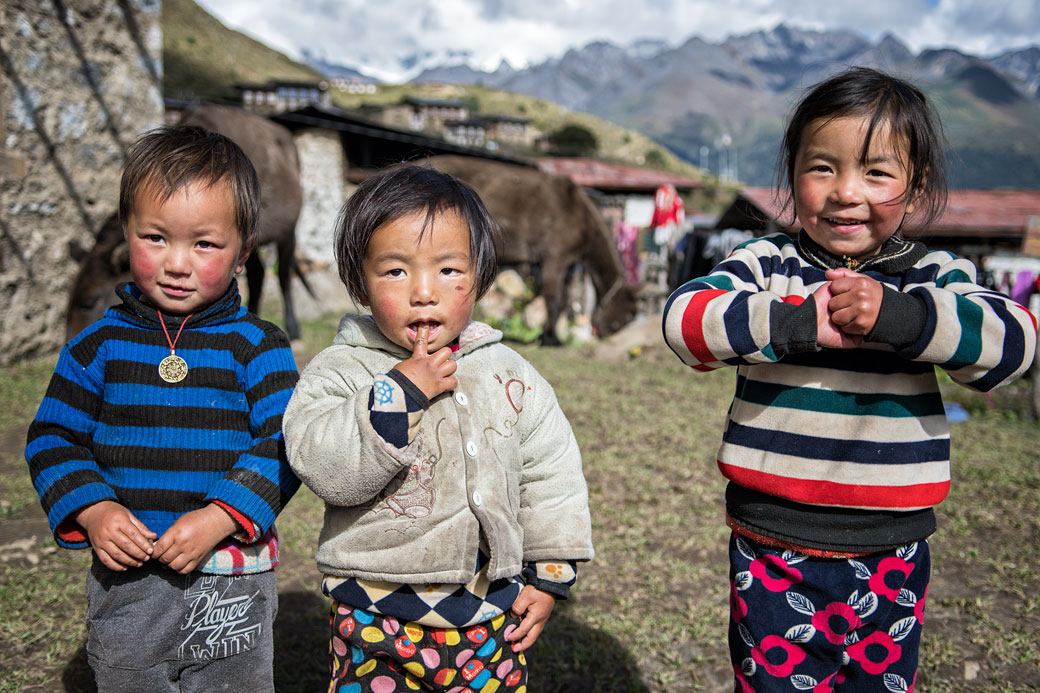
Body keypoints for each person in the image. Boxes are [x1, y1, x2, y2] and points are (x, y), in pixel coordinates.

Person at [662, 67, 1037, 691]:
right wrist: (793, 322)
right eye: (822, 167)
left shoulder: (932, 276)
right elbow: (684, 322)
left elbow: (1016, 342)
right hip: (771, 539)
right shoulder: (767, 265)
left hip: (893, 547)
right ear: (792, 176)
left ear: (914, 191)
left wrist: (902, 318)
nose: (845, 192)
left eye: (877, 172)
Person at [282, 164, 594, 692]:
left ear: (481, 275)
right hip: (373, 615)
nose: (423, 292)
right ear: (360, 280)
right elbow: (324, 464)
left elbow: (552, 474)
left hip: (491, 614)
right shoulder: (343, 369)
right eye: (396, 271)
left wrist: (549, 572)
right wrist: (398, 393)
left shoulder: (509, 373)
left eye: (448, 270)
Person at [25, 125, 301, 691]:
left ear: (243, 251)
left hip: (232, 578)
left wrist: (221, 516)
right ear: (126, 235)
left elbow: (284, 441)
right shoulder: (97, 346)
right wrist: (95, 510)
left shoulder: (259, 346)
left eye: (204, 244)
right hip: (128, 581)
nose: (177, 263)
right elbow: (53, 437)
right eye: (155, 238)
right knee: (130, 678)